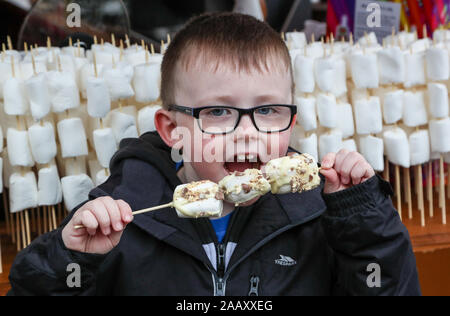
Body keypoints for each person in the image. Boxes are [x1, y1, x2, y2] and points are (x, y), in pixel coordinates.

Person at [8, 12, 420, 296]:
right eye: (219, 112)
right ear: (172, 130)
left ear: (291, 124)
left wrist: (363, 222)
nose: (247, 132)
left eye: (267, 110)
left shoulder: (319, 217)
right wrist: (69, 259)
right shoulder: (118, 220)